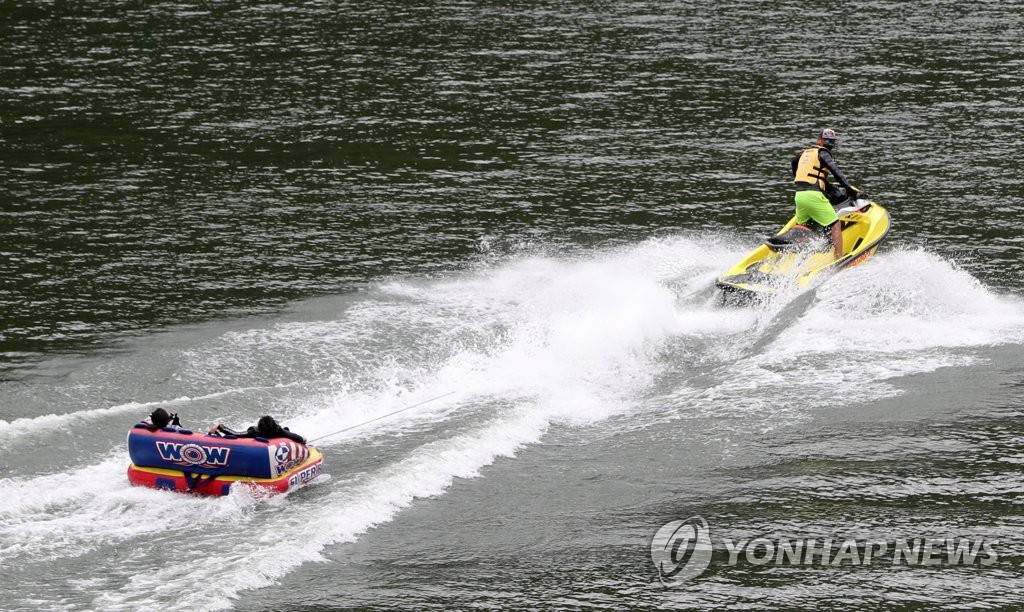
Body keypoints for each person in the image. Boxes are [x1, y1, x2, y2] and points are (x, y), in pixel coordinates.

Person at [790, 128, 860, 259]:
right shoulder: (823, 153)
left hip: (799, 196)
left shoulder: (806, 152)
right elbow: (836, 172)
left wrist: (798, 177)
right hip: (813, 195)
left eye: (832, 141)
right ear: (819, 140)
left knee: (806, 227)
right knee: (835, 224)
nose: (830, 144)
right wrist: (849, 189)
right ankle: (838, 258)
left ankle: (799, 257)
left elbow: (793, 162)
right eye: (827, 140)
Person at [208, 415, 307, 444]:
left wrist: (220, 426)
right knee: (286, 430)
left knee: (286, 430)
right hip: (277, 436)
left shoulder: (254, 432)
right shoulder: (278, 430)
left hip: (275, 439)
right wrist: (302, 439)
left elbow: (236, 434)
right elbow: (294, 436)